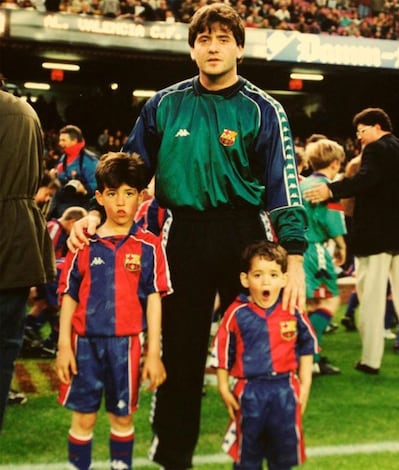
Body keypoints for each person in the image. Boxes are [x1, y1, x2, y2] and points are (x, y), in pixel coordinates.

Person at [68, 4, 308, 468]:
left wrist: (294, 255)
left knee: (261, 348)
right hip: (183, 236)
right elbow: (129, 170)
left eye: (223, 39)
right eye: (204, 39)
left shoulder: (264, 109)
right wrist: (96, 214)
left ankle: (261, 451)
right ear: (192, 48)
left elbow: (284, 184)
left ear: (240, 47)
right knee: (179, 349)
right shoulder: (164, 104)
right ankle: (173, 454)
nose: (213, 47)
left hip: (245, 233)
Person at [55, 152, 171, 470]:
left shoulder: (150, 246)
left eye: (129, 193)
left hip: (127, 344)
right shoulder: (83, 242)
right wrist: (64, 345)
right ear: (99, 197)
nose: (121, 202)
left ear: (141, 196)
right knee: (83, 419)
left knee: (122, 417)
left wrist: (154, 353)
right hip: (84, 344)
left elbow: (155, 300)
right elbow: (69, 296)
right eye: (112, 193)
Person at [303, 107, 399, 374]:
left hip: (375, 238)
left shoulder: (375, 150)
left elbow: (366, 179)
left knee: (372, 299)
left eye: (361, 131)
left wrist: (331, 189)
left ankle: (370, 360)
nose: (359, 137)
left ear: (376, 127)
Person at [210, 240, 317, 469]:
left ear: (284, 279)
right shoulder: (236, 313)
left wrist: (305, 383)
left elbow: (307, 343)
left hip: (285, 389)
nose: (266, 281)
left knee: (283, 457)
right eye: (258, 275)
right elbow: (222, 350)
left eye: (273, 274)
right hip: (249, 391)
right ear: (245, 279)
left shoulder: (292, 310)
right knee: (247, 456)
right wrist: (222, 386)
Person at [0, 88, 55, 432]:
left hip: (16, 228)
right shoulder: (24, 111)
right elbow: (35, 178)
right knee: (4, 348)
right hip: (18, 238)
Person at [301, 138, 347, 375]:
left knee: (309, 303)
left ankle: (311, 358)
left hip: (296, 250)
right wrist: (341, 246)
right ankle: (310, 356)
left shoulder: (301, 184)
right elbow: (331, 222)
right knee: (330, 300)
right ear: (337, 162)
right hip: (315, 248)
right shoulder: (328, 188)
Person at [23, 206, 88, 358]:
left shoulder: (61, 234)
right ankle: (42, 338)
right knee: (58, 307)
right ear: (73, 222)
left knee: (47, 305)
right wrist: (33, 281)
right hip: (49, 275)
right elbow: (40, 253)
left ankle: (31, 333)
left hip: (52, 274)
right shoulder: (54, 228)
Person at [48, 125, 99, 219]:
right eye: (60, 140)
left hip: (80, 207)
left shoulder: (90, 161)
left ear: (74, 140)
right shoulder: (63, 158)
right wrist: (54, 177)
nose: (60, 143)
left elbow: (97, 185)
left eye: (63, 140)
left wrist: (84, 190)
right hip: (61, 203)